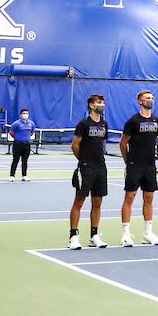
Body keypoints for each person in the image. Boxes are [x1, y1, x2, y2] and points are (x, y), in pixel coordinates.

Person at [119, 90, 158, 246]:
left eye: (152, 98)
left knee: (149, 198)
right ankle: (125, 234)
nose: (150, 100)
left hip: (150, 166)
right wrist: (128, 161)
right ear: (140, 101)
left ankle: (148, 234)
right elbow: (123, 143)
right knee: (129, 197)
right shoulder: (133, 121)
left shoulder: (157, 121)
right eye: (147, 98)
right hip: (134, 165)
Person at [69, 94, 110, 249]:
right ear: (92, 105)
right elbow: (75, 145)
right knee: (79, 201)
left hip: (101, 167)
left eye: (103, 103)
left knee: (97, 202)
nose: (102, 105)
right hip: (86, 168)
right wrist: (83, 160)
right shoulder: (83, 124)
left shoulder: (104, 124)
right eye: (99, 103)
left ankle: (94, 235)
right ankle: (73, 236)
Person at [8, 108, 36, 181]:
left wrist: (25, 138)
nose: (25, 115)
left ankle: (24, 175)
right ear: (20, 115)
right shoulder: (16, 124)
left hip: (26, 144)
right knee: (15, 160)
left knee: (25, 160)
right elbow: (11, 133)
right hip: (17, 144)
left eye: (26, 113)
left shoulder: (31, 123)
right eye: (24, 113)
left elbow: (32, 133)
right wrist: (18, 138)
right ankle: (12, 176)